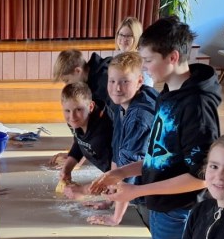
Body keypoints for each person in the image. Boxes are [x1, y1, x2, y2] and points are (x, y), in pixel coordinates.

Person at [92, 16, 221, 239]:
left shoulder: (196, 106)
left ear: (172, 57)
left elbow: (202, 177)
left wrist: (137, 192)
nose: (145, 67)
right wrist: (122, 172)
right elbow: (160, 156)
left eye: (148, 60)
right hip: (159, 205)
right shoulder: (168, 94)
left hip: (179, 212)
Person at [66, 51, 157, 227]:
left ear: (140, 81)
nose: (117, 88)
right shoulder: (120, 105)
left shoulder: (139, 117)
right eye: (112, 81)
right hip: (137, 188)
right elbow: (118, 153)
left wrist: (115, 218)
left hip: (155, 196)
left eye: (125, 82)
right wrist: (109, 200)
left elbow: (127, 167)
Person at [55, 81, 113, 185]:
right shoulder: (76, 122)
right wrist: (67, 169)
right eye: (67, 111)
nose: (72, 117)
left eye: (78, 109)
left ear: (90, 107)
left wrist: (91, 189)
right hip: (108, 173)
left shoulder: (105, 128)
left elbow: (120, 163)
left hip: (126, 178)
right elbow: (79, 142)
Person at [114, 16, 154, 87]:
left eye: (128, 36)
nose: (123, 39)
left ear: (137, 37)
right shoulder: (117, 58)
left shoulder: (143, 63)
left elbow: (147, 89)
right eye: (121, 34)